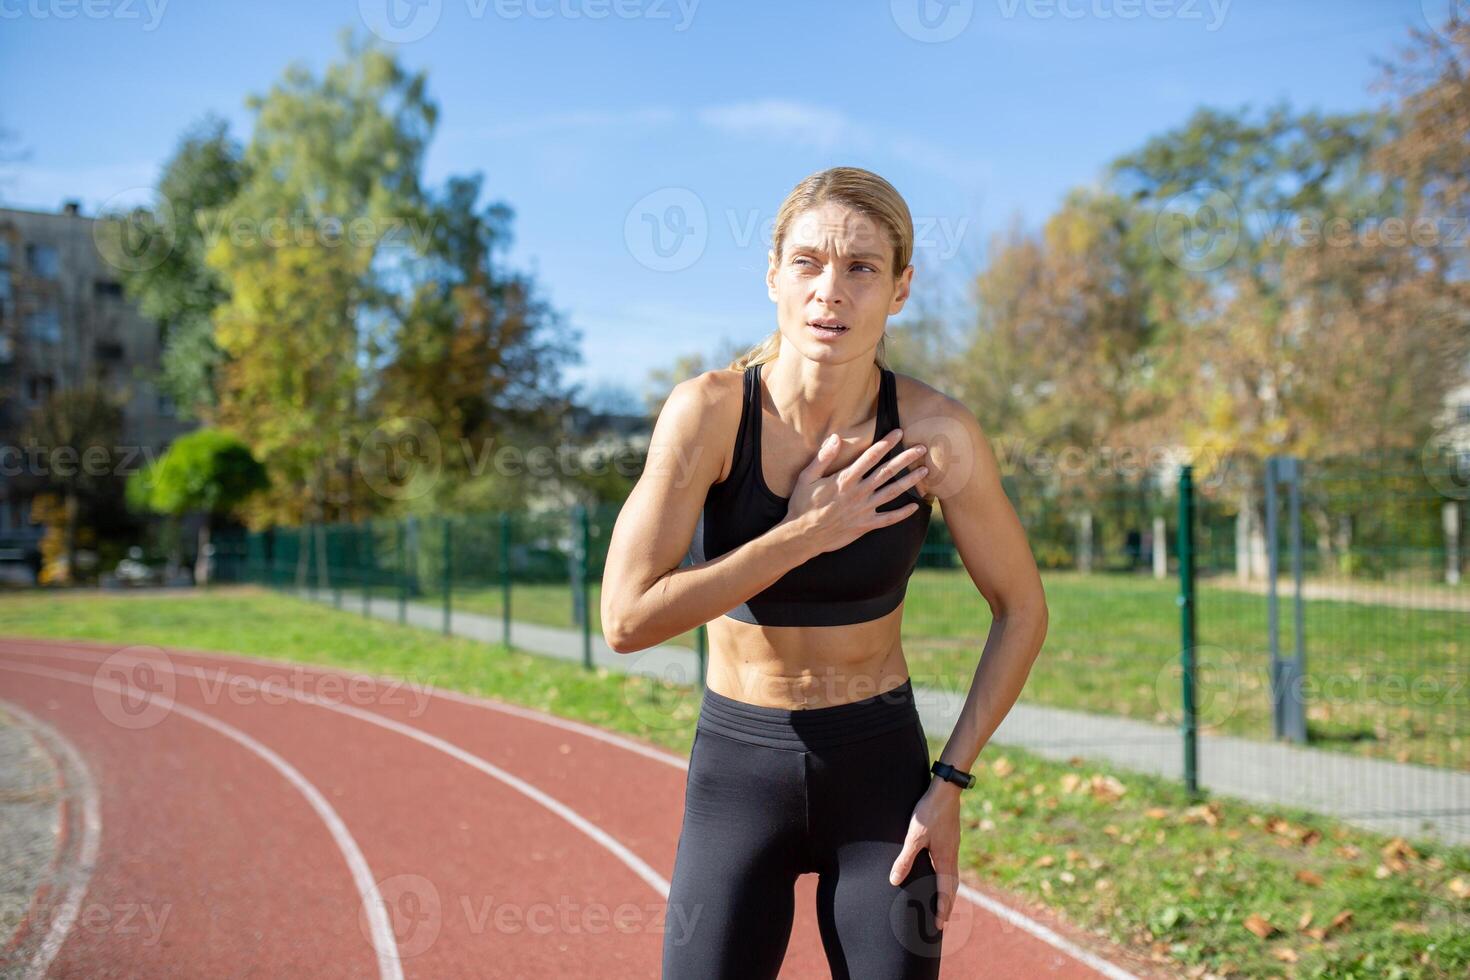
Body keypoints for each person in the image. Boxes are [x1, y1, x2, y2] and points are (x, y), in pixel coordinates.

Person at [600, 166, 1049, 979]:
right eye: (807, 262)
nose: (830, 292)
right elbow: (627, 620)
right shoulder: (706, 414)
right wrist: (806, 531)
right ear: (772, 274)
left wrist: (950, 780)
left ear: (901, 289)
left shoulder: (934, 434)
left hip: (880, 776)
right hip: (739, 774)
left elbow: (1022, 608)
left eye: (862, 268)